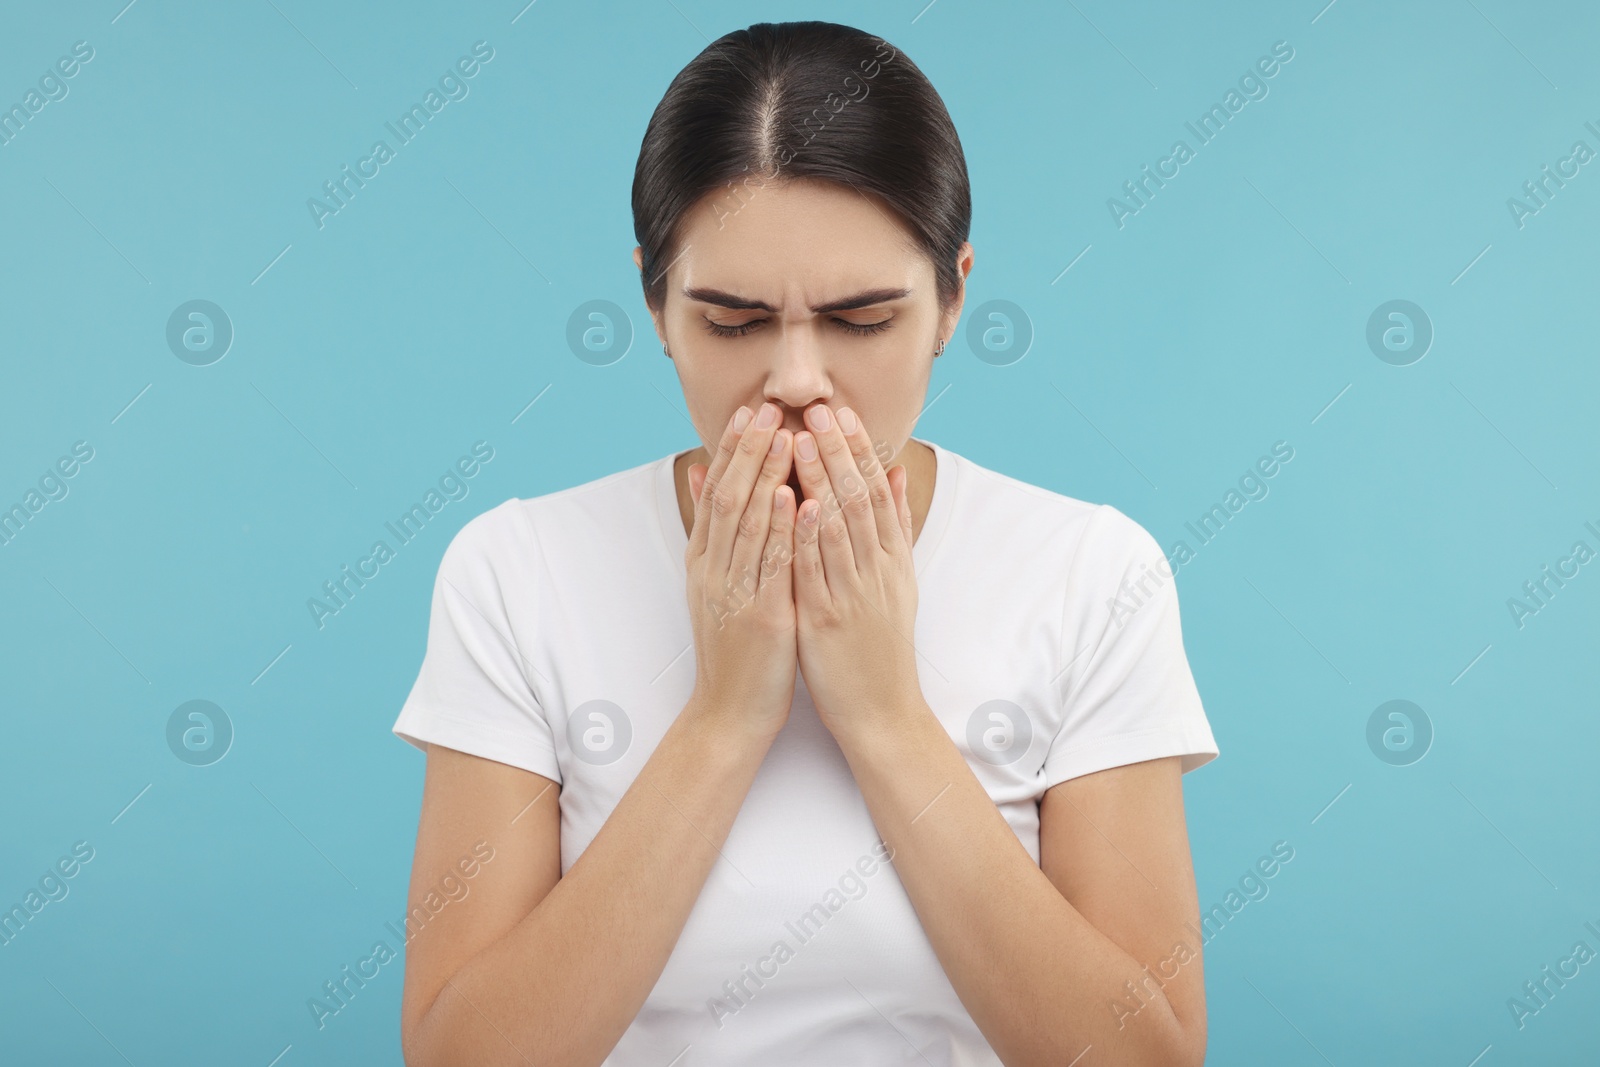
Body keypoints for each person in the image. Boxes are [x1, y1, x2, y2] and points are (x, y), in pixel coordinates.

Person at [391, 20, 1217, 1066]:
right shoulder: (514, 571)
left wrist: (884, 714)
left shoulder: (1093, 574)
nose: (794, 378)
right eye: (732, 321)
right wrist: (724, 718)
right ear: (654, 301)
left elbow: (1145, 1057)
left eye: (862, 318)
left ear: (953, 295)